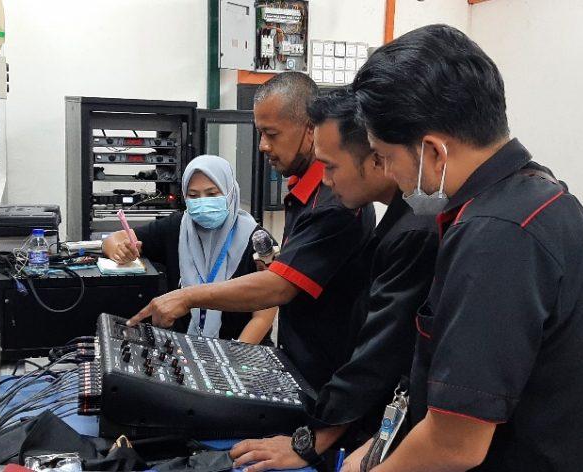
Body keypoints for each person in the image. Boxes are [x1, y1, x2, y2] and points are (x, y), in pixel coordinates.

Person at [342, 24, 583, 471]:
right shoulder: (533, 194)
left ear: (434, 152)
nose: (389, 174)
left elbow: (454, 445)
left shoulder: (497, 237)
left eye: (386, 157)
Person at [228, 89, 439, 472]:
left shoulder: (416, 230)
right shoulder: (401, 220)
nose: (325, 180)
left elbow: (380, 355)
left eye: (331, 167)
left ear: (377, 157)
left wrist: (312, 442)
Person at [127, 72, 375, 396]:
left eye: (272, 134)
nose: (262, 146)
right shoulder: (302, 193)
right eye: (260, 133)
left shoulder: (333, 203)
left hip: (330, 380)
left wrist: (187, 296)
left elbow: (279, 288)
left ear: (310, 129)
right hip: (303, 365)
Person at [103, 155, 276, 343]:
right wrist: (120, 250)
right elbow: (113, 239)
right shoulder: (176, 228)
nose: (203, 202)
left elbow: (263, 317)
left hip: (242, 350)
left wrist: (227, 357)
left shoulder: (259, 240)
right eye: (193, 196)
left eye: (212, 194)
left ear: (230, 192)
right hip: (183, 347)